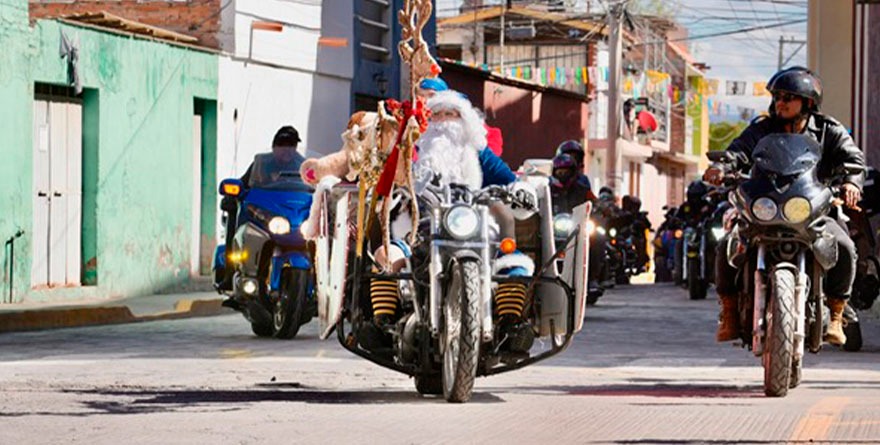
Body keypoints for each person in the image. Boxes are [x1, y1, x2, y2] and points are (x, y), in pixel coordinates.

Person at [703, 66, 865, 346]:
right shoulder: (762, 128)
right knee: (728, 243)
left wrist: (851, 182)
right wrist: (722, 166)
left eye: (789, 97)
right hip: (766, 205)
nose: (781, 102)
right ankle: (728, 312)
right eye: (778, 96)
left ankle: (837, 314)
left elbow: (853, 159)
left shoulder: (828, 129)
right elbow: (738, 151)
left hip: (812, 206)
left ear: (808, 102)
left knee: (845, 246)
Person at [369, 90, 535, 351]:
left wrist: (521, 190)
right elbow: (392, 176)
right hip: (420, 228)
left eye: (452, 114)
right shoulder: (414, 152)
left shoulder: (479, 154)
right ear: (427, 121)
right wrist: (388, 188)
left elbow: (508, 179)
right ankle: (382, 323)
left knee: (514, 265)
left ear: (465, 119)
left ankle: (510, 325)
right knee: (386, 255)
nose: (444, 121)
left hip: (475, 226)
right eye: (437, 114)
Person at [416, 77, 504, 156]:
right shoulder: (416, 124)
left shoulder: (471, 126)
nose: (425, 100)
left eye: (431, 95)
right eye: (421, 96)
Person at [240, 125, 306, 186]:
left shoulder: (303, 165)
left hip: (295, 198)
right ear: (274, 148)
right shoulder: (261, 163)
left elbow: (312, 189)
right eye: (282, 146)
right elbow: (241, 185)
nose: (287, 150)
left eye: (292, 146)